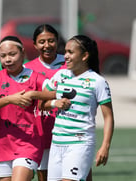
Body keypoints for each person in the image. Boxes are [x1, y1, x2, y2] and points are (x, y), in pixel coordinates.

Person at [24, 24, 93, 181]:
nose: (47, 45)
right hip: (43, 133)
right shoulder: (27, 69)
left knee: (83, 177)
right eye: (42, 42)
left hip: (74, 133)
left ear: (57, 41)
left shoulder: (72, 63)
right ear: (34, 44)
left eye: (51, 41)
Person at [0, 36, 56, 181]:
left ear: (22, 53)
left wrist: (35, 94)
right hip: (3, 145)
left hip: (29, 143)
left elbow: (54, 93)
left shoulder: (36, 78)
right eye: (3, 56)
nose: (7, 59)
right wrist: (10, 99)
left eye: (12, 54)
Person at [43, 35, 114, 181]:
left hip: (80, 142)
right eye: (66, 52)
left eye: (70, 52)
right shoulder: (60, 75)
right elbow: (41, 103)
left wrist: (105, 146)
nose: (66, 56)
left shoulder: (98, 82)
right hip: (57, 142)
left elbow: (108, 117)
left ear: (85, 56)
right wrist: (53, 103)